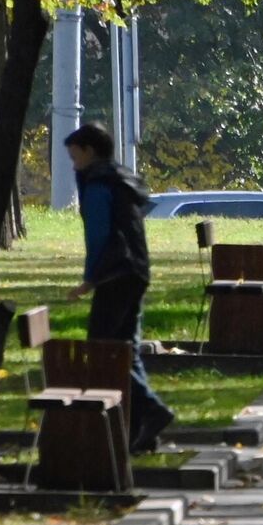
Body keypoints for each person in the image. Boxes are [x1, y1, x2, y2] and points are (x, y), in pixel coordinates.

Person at [63, 122, 176, 454]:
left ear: (89, 151)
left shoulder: (99, 183)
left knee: (104, 350)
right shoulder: (121, 178)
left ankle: (152, 410)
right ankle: (146, 430)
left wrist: (89, 279)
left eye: (74, 156)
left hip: (115, 274)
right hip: (136, 270)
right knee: (126, 348)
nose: (73, 164)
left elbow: (98, 235)